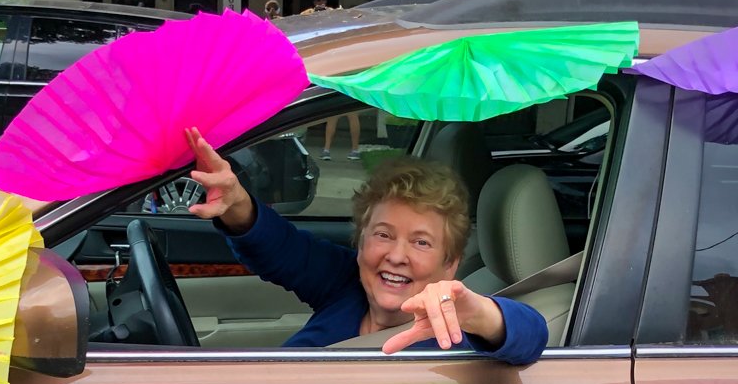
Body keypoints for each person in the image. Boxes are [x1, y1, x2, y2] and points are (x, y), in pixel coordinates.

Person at [185, 127, 547, 364]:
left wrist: (481, 315)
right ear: (360, 241)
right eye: (383, 234)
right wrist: (236, 204)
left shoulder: (453, 333)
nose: (396, 255)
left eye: (421, 242)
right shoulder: (347, 284)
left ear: (450, 264)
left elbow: (532, 334)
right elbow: (282, 249)